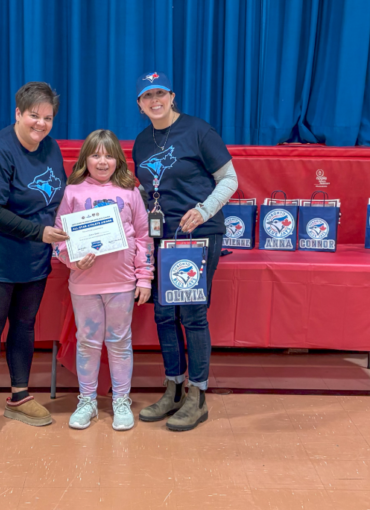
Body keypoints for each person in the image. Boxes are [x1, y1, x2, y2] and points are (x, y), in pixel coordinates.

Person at [0, 82, 69, 439]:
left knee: (24, 325)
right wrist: (39, 232)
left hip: (33, 254)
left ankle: (19, 397)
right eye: (34, 116)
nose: (41, 124)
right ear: (18, 114)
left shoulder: (50, 147)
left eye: (48, 118)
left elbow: (58, 196)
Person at [132, 72, 238, 431]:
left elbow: (229, 179)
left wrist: (204, 211)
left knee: (192, 314)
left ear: (172, 96)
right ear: (140, 104)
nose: (155, 101)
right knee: (164, 314)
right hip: (162, 237)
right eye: (148, 96)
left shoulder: (198, 130)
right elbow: (148, 191)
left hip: (198, 235)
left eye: (160, 93)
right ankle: (173, 388)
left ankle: (198, 395)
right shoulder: (141, 142)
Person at [54, 129, 153, 431]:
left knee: (120, 343)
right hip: (84, 284)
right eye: (95, 155)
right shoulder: (72, 192)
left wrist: (144, 278)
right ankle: (87, 401)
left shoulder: (130, 192)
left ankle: (121, 400)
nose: (102, 161)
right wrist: (72, 260)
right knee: (87, 342)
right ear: (85, 159)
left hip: (122, 284)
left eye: (108, 155)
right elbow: (58, 237)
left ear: (118, 160)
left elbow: (144, 237)